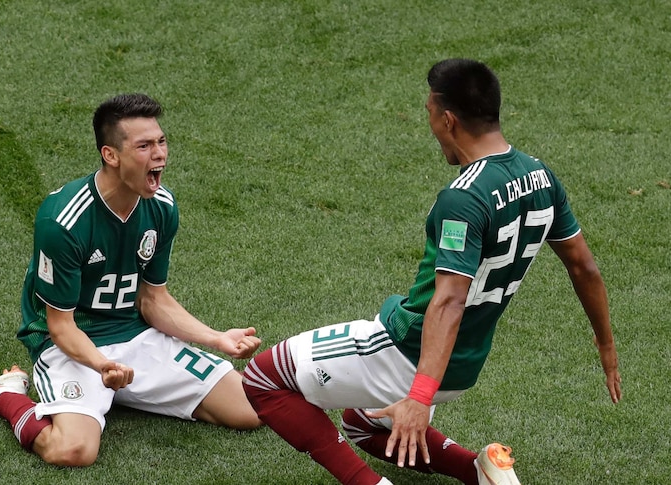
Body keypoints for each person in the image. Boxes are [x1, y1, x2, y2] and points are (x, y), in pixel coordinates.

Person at [242, 58, 622, 485]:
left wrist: (419, 397)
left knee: (262, 379)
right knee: (362, 423)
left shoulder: (464, 198)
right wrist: (605, 343)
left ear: (448, 119)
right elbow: (583, 265)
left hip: (405, 350)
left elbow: (449, 300)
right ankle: (480, 472)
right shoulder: (541, 176)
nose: (430, 126)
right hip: (464, 363)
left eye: (428, 114)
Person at [0, 93, 262, 466]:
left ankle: (116, 394)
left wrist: (216, 338)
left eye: (161, 141)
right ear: (110, 155)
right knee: (72, 452)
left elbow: (152, 300)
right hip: (69, 345)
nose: (159, 154)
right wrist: (101, 366)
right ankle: (3, 394)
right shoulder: (63, 221)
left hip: (134, 337)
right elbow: (59, 326)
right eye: (144, 146)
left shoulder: (162, 207)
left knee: (251, 411)